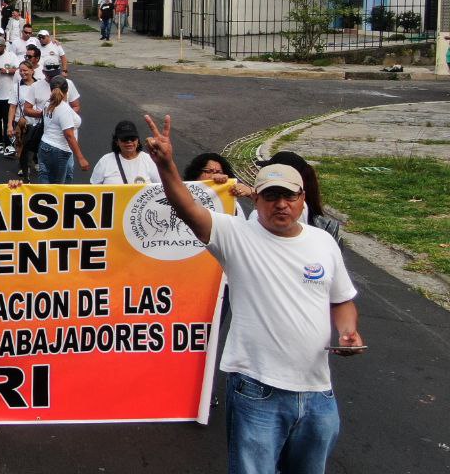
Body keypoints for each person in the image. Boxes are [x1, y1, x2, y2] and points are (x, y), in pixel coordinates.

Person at [141, 115, 363, 474]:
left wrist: (348, 331)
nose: (280, 205)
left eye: (288, 196)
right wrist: (165, 165)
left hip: (319, 392)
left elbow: (341, 300)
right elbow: (186, 207)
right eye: (271, 196)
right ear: (256, 198)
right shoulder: (236, 237)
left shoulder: (323, 242)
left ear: (301, 198)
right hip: (257, 391)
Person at [37, 76, 89, 184]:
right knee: (57, 186)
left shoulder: (48, 103)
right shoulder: (64, 108)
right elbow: (69, 135)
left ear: (51, 89)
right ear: (67, 90)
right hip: (59, 150)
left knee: (45, 179)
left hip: (44, 145)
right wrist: (81, 158)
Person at [7, 53, 47, 181]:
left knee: (38, 147)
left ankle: (35, 164)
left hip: (38, 123)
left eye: (25, 70)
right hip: (23, 123)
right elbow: (12, 107)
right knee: (23, 148)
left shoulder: (40, 85)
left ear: (32, 71)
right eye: (20, 71)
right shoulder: (16, 87)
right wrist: (9, 125)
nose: (23, 73)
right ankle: (25, 170)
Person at [89, 120, 161, 185]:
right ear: (117, 142)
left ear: (137, 140)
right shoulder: (105, 161)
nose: (129, 141)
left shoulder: (149, 160)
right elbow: (94, 189)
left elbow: (162, 186)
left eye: (132, 138)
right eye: (125, 139)